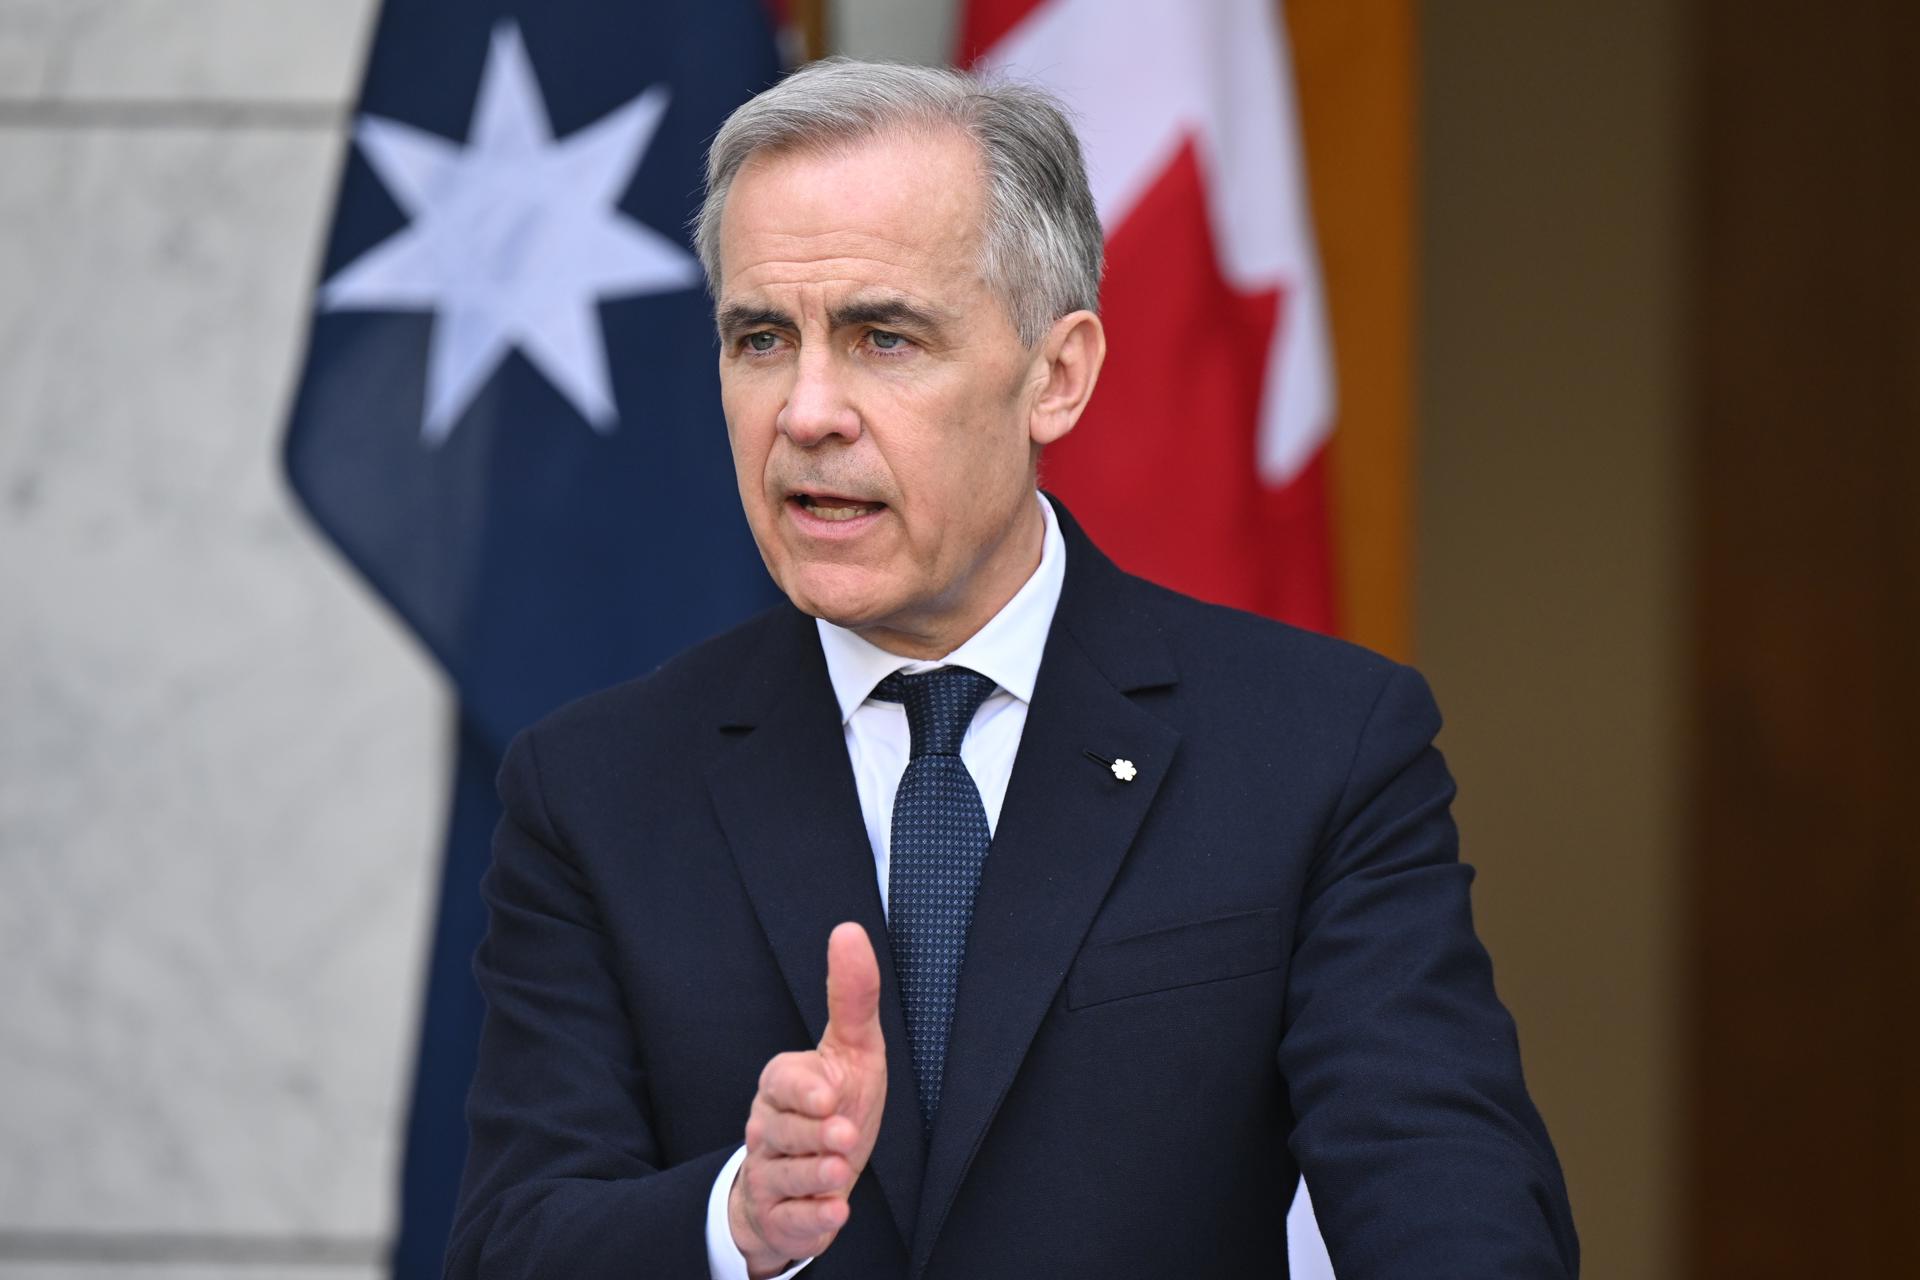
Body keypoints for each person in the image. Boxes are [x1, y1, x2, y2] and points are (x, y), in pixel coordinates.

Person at [444, 58, 1578, 1279]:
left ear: (1057, 374)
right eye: (762, 338)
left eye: (884, 337)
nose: (806, 410)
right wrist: (736, 1217)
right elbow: (513, 1244)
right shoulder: (597, 789)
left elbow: (1457, 1212)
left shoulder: (1318, 748)